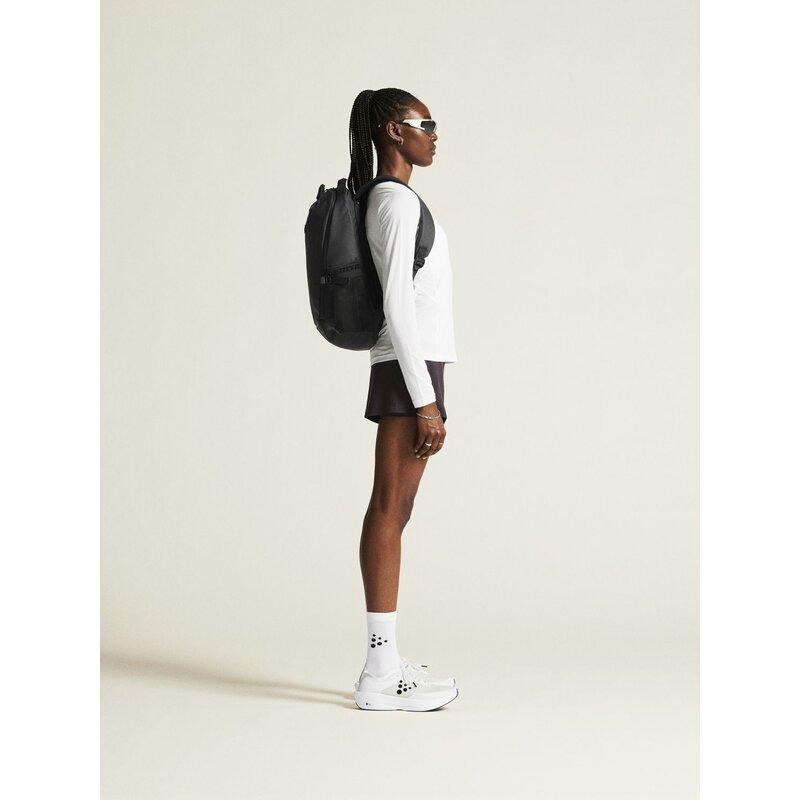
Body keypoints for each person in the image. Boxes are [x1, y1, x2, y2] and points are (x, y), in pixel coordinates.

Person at [347, 88, 459, 711]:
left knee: (397, 510)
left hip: (415, 368)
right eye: (426, 123)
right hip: (407, 371)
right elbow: (396, 303)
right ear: (395, 130)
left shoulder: (398, 199)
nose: (435, 134)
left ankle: (386, 663)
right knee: (388, 510)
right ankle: (378, 673)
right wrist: (424, 400)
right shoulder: (393, 200)